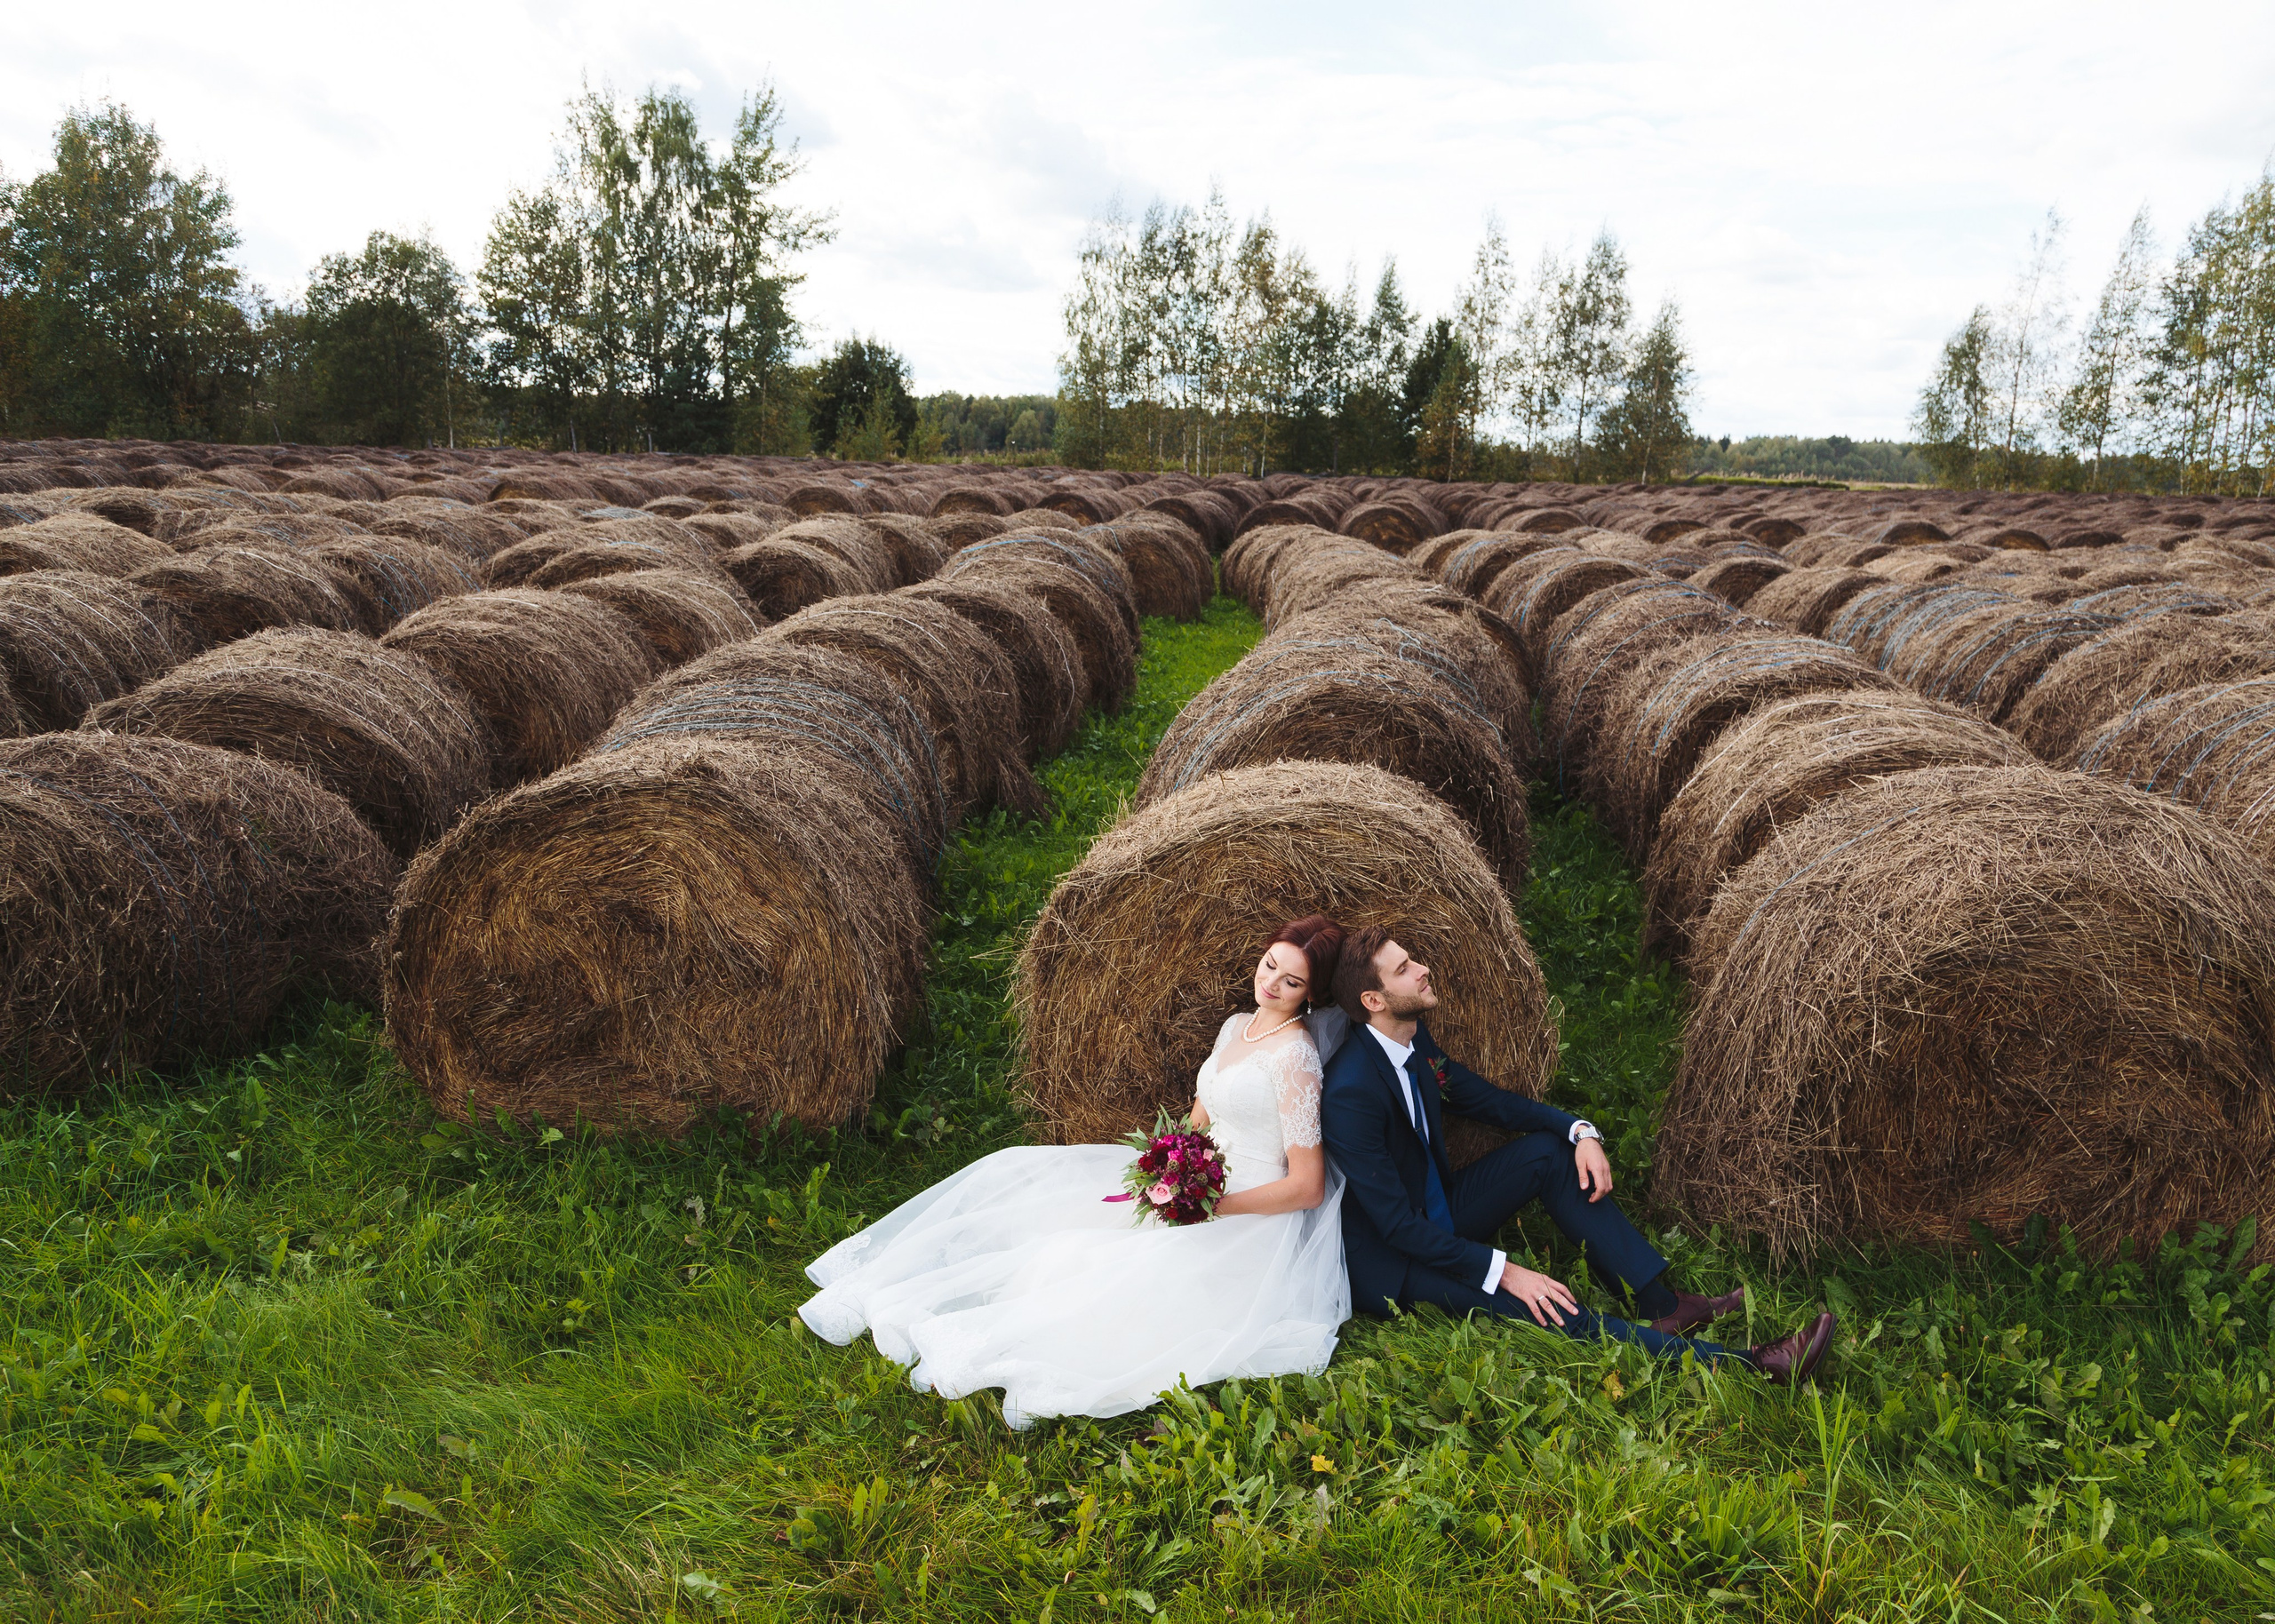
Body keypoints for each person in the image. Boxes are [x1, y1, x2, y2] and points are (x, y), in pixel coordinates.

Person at [800, 915, 1353, 1428]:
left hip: (1249, 1215)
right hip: (1192, 1182)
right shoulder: (1236, 1027)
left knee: (1105, 1274)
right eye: (1270, 965)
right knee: (1027, 1192)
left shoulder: (1296, 1057)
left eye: (1291, 982)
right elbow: (1198, 1120)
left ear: (1311, 995)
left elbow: (1307, 1187)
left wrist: (1210, 1206)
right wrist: (1165, 1167)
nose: (1271, 983)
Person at [1320, 925, 1836, 1381]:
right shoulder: (1351, 1092)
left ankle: (1663, 1306)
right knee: (1546, 1304)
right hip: (1395, 1260)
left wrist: (1579, 1130)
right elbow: (1397, 1227)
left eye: (1412, 959)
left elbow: (1487, 1101)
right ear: (1374, 1000)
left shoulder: (1412, 1039)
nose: (1423, 969)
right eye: (1404, 969)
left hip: (1439, 1211)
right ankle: (1750, 1365)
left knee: (1549, 1152)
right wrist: (1506, 1270)